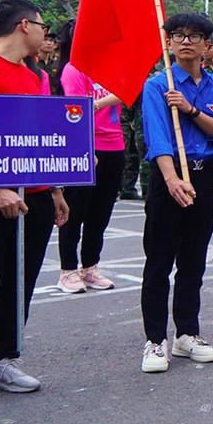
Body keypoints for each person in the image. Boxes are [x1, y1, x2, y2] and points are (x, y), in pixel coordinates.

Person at [0, 0, 70, 403]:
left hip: (34, 193)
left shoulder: (34, 75)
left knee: (19, 281)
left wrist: (55, 188)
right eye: (42, 25)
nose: (45, 33)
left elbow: (39, 137)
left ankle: (1, 358)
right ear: (24, 26)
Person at [137, 13, 213, 373]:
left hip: (205, 176)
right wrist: (172, 179)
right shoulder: (157, 84)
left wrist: (190, 109)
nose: (186, 41)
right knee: (159, 261)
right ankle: (154, 340)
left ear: (208, 45)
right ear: (169, 42)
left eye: (195, 36)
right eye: (178, 35)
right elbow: (157, 136)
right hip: (169, 177)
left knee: (193, 260)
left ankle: (187, 334)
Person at [51, 20, 126, 294]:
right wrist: (109, 99)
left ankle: (90, 266)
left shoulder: (108, 68)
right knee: (74, 211)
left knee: (100, 212)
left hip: (114, 145)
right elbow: (77, 111)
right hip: (86, 146)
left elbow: (126, 92)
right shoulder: (73, 70)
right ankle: (68, 270)